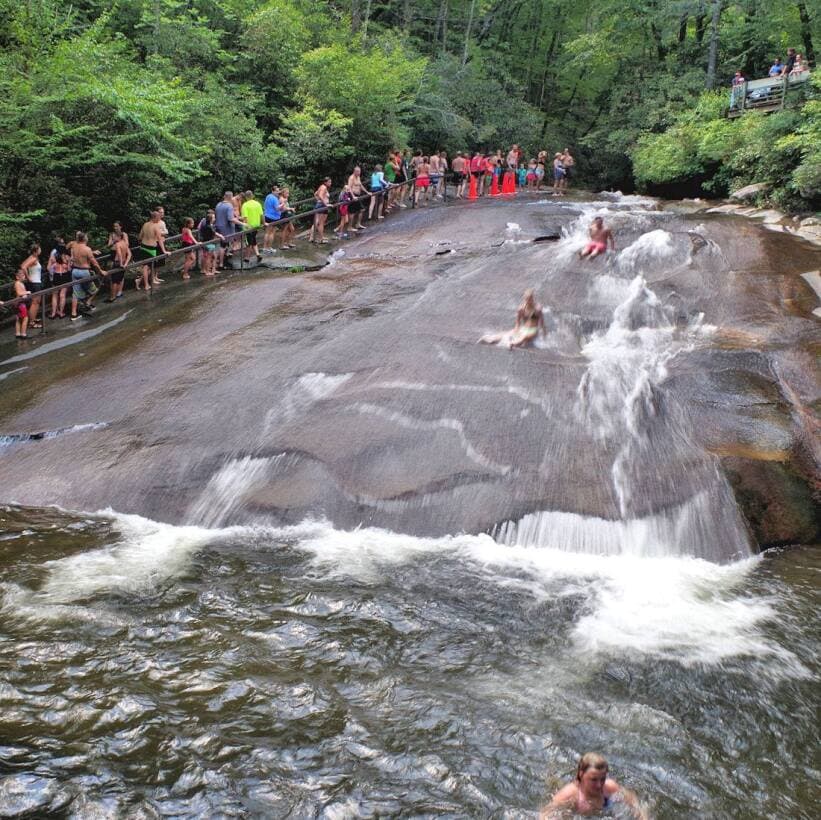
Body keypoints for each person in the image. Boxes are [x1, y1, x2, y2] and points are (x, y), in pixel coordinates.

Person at [542, 753, 646, 819]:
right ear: (581, 774)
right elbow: (544, 814)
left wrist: (642, 816)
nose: (599, 785)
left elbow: (633, 800)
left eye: (602, 779)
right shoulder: (570, 794)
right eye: (593, 779)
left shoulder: (609, 787)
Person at [479, 289, 546, 349]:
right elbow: (518, 322)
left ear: (532, 298)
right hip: (523, 328)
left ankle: (512, 343)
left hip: (533, 330)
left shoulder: (537, 309)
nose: (528, 301)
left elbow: (542, 323)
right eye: (527, 299)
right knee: (507, 334)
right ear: (524, 299)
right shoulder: (521, 309)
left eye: (530, 299)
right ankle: (488, 338)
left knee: (524, 338)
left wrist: (544, 335)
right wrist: (516, 330)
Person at [68, 231, 104, 321]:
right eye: (87, 237)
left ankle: (73, 314)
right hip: (84, 272)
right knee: (94, 289)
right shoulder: (87, 249)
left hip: (75, 271)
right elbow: (94, 262)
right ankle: (87, 303)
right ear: (84, 239)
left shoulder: (74, 246)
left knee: (75, 294)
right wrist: (101, 271)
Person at [136, 210, 167, 291]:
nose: (159, 219)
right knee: (148, 267)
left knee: (146, 267)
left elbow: (140, 237)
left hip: (143, 246)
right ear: (154, 217)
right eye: (158, 217)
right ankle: (146, 284)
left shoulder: (145, 224)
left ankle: (141, 281)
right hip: (151, 248)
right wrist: (164, 251)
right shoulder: (155, 226)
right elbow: (160, 240)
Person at [19, 244, 43, 330]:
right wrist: (28, 277)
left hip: (34, 282)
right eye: (39, 249)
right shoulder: (34, 259)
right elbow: (23, 267)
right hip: (35, 282)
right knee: (35, 302)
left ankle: (33, 318)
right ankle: (32, 322)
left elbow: (22, 264)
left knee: (35, 302)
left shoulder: (31, 257)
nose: (41, 250)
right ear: (36, 250)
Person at [47, 235, 70, 318]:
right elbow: (69, 268)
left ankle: (53, 313)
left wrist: (53, 270)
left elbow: (48, 268)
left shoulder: (53, 257)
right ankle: (61, 313)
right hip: (64, 275)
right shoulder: (67, 257)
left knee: (54, 295)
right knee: (62, 295)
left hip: (56, 275)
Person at [106, 222, 131, 301]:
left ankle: (118, 292)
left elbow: (127, 244)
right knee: (113, 276)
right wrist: (114, 241)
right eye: (114, 226)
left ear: (120, 226)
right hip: (113, 253)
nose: (115, 228)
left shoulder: (124, 235)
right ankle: (114, 293)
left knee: (119, 276)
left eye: (117, 226)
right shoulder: (112, 234)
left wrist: (120, 242)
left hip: (121, 253)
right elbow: (109, 245)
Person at [215, 191, 239, 270]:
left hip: (219, 227)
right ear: (230, 197)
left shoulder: (218, 204)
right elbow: (230, 219)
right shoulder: (229, 206)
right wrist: (242, 223)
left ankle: (221, 261)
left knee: (224, 245)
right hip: (226, 228)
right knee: (223, 246)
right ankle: (221, 263)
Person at [197, 209, 224, 275]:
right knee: (208, 257)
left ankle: (210, 270)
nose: (215, 219)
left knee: (211, 256)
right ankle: (207, 271)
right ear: (211, 219)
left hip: (207, 241)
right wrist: (221, 236)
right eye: (214, 217)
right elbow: (214, 232)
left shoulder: (206, 223)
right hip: (208, 242)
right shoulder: (209, 226)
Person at [240, 189, 264, 261]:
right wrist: (263, 223)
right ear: (252, 196)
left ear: (246, 197)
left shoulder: (245, 205)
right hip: (256, 225)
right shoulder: (258, 204)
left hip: (249, 226)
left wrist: (245, 227)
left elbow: (245, 218)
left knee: (248, 242)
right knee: (253, 240)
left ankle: (247, 257)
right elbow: (262, 215)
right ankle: (257, 254)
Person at [309, 177, 331, 243]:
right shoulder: (323, 187)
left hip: (321, 205)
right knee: (319, 223)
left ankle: (314, 237)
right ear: (325, 182)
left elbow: (316, 194)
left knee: (319, 222)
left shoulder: (322, 187)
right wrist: (325, 204)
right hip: (322, 206)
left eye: (330, 182)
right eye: (329, 182)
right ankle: (320, 239)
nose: (330, 183)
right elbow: (320, 196)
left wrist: (318, 200)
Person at [347, 167, 367, 232]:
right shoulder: (351, 178)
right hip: (353, 195)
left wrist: (367, 192)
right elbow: (349, 187)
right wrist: (353, 196)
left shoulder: (358, 177)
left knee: (361, 209)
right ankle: (349, 227)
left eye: (360, 171)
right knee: (352, 212)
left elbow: (360, 185)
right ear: (354, 171)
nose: (359, 173)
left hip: (358, 195)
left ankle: (358, 224)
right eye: (358, 172)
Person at [262, 184, 281, 253]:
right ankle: (269, 248)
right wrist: (282, 204)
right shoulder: (275, 198)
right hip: (273, 218)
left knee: (267, 233)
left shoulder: (268, 196)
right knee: (272, 233)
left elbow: (265, 205)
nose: (278, 192)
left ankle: (265, 248)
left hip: (267, 216)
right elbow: (277, 208)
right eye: (276, 191)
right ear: (272, 191)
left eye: (278, 191)